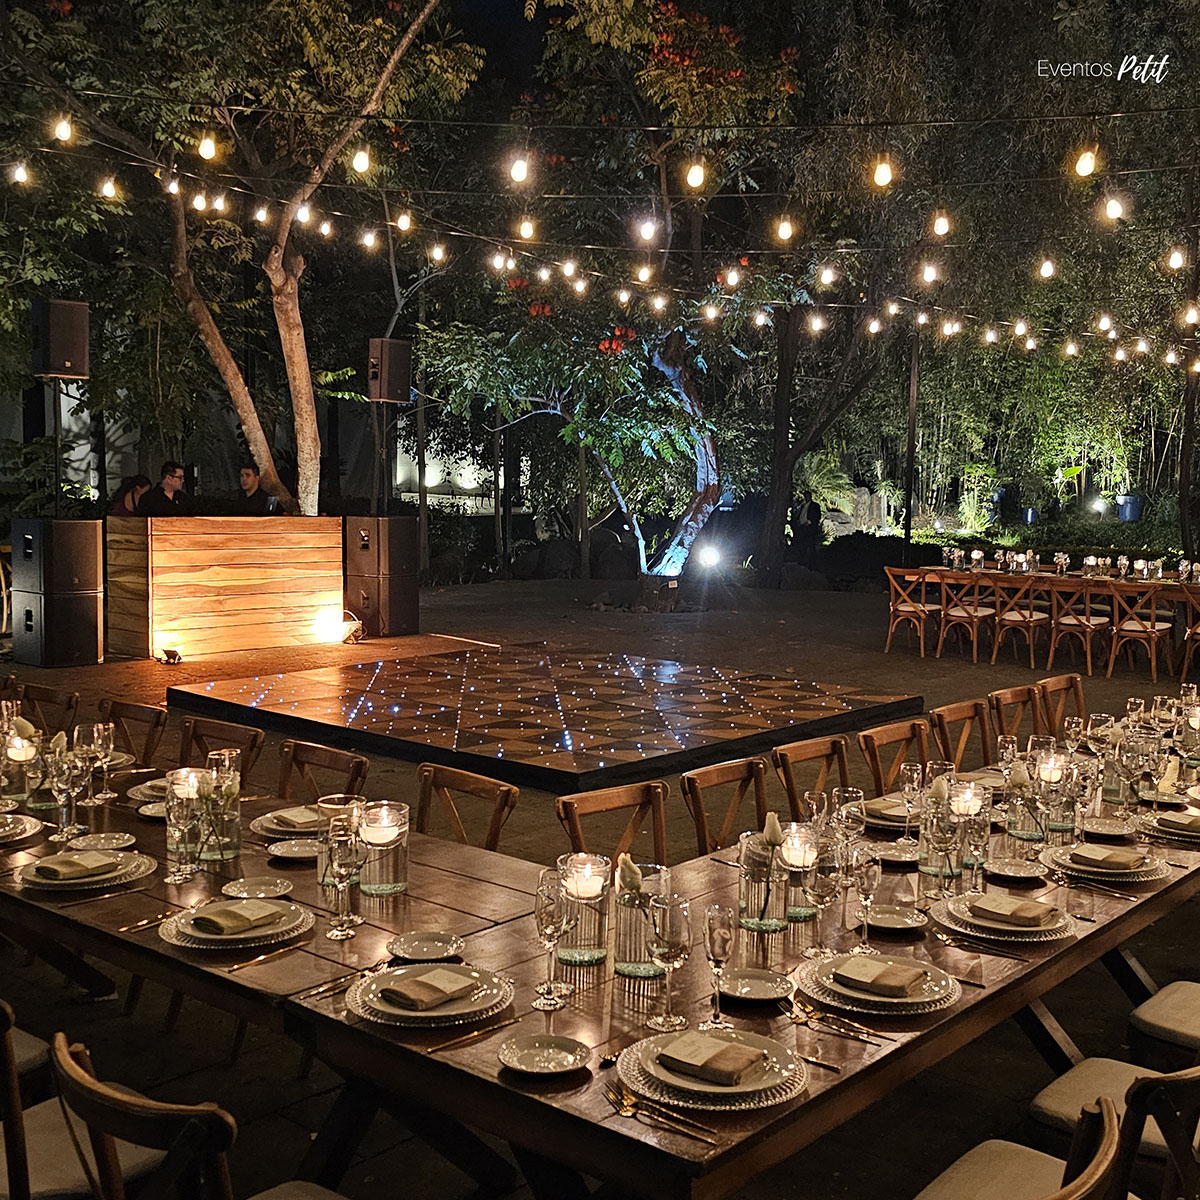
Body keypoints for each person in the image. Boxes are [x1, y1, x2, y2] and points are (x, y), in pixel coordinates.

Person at [793, 489, 821, 568]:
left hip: (810, 528)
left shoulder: (815, 505)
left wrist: (809, 522)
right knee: (803, 545)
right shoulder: (803, 506)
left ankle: (812, 563)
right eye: (805, 496)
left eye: (807, 496)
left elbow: (817, 516)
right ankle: (803, 561)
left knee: (811, 545)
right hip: (803, 528)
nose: (806, 497)